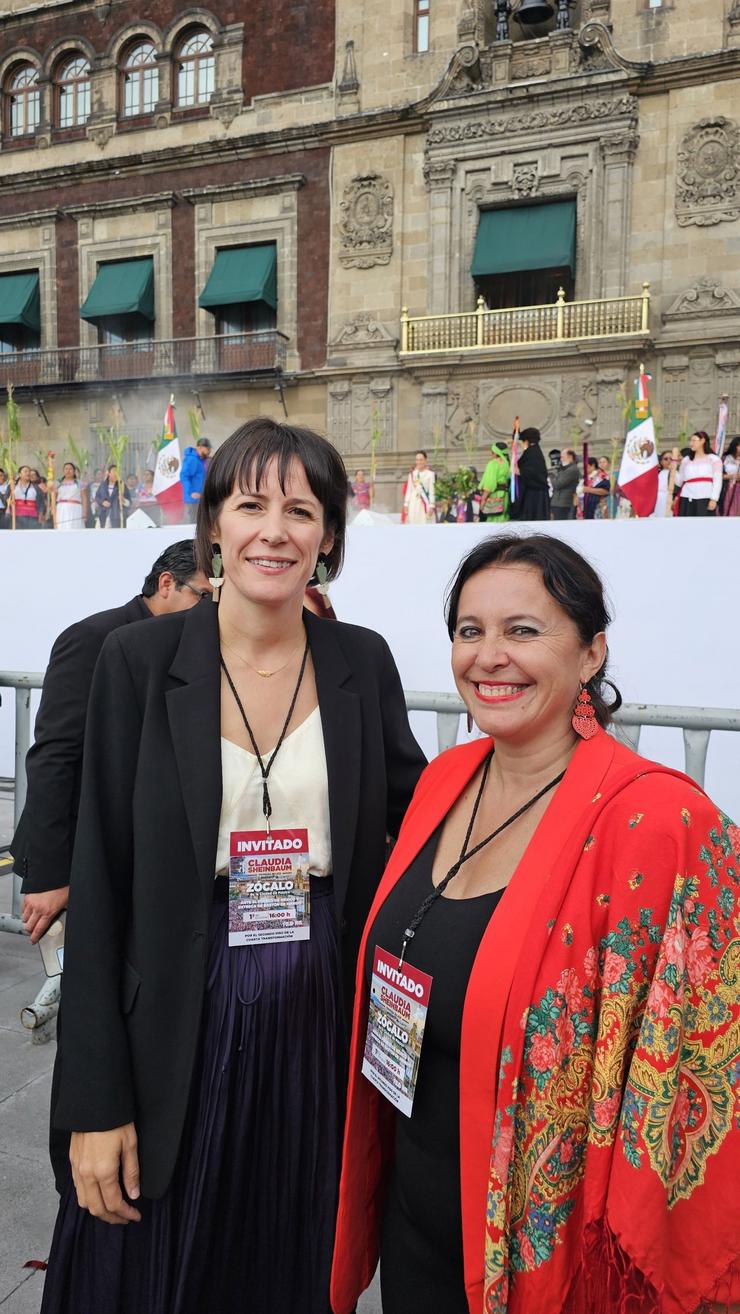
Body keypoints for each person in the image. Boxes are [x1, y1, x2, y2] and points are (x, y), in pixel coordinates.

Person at [41, 418, 425, 1314]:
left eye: (302, 509)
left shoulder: (360, 662)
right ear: (213, 524)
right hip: (173, 1001)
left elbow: (421, 829)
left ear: (328, 535)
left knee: (282, 1255)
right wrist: (94, 1101)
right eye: (251, 504)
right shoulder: (138, 661)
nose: (275, 530)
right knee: (142, 1259)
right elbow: (99, 882)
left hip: (315, 1006)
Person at [332, 532, 740, 1314]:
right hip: (416, 1219)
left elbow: (704, 1067)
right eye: (469, 631)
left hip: (545, 1249)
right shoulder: (447, 778)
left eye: (524, 630)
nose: (490, 656)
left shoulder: (658, 823)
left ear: (591, 654)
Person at [13, 541, 212, 948]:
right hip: (82, 852)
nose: (213, 611)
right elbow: (54, 756)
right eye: (204, 597)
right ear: (166, 583)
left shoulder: (194, 646)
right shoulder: (96, 638)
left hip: (144, 856)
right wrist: (50, 874)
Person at [675, 430, 723, 516]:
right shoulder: (686, 460)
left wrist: (714, 499)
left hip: (705, 496)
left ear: (702, 441)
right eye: (690, 441)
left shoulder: (714, 459)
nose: (691, 443)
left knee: (704, 525)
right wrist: (673, 470)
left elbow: (718, 480)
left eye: (694, 440)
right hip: (686, 496)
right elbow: (679, 481)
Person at [512, 427, 549, 521]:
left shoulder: (532, 452)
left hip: (535, 494)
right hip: (534, 492)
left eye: (523, 441)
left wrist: (519, 471)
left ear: (527, 441)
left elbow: (533, 472)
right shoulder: (533, 451)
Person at [181, 435, 212, 520]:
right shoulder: (193, 459)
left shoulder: (200, 460)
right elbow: (184, 476)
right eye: (208, 449)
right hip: (194, 499)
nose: (209, 451)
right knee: (195, 523)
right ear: (200, 447)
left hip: (200, 498)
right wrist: (191, 493)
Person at [479, 443, 510, 523]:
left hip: (495, 496)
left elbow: (490, 484)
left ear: (496, 453)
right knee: (503, 518)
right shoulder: (507, 463)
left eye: (492, 452)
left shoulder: (493, 464)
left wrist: (483, 499)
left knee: (493, 519)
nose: (491, 455)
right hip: (505, 495)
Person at [402, 450, 436, 524]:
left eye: (421, 460)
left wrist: (431, 505)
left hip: (424, 503)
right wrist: (406, 504)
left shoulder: (430, 474)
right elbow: (409, 490)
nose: (419, 462)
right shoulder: (412, 474)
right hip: (413, 503)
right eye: (417, 460)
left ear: (425, 460)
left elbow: (431, 491)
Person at [94, 463, 130, 528]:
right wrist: (102, 502)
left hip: (116, 516)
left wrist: (123, 500)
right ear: (109, 473)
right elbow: (97, 497)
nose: (116, 473)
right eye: (114, 471)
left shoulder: (122, 485)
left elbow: (129, 502)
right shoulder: (103, 485)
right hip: (103, 515)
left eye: (118, 471)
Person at [55, 463, 87, 531]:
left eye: (70, 469)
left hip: (75, 508)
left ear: (74, 471)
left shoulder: (79, 483)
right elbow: (53, 496)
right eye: (66, 469)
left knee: (75, 527)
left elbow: (84, 498)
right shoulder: (58, 483)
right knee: (62, 527)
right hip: (62, 509)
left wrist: (84, 512)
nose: (68, 471)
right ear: (63, 471)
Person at [549, 447, 579, 521]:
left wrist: (551, 476)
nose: (561, 459)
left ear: (570, 457)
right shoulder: (564, 469)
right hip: (558, 502)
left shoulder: (572, 469)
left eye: (562, 457)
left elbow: (557, 484)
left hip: (563, 504)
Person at [583, 455, 609, 520]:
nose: (585, 469)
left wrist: (588, 490)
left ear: (593, 465)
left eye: (587, 467)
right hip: (587, 507)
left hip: (598, 506)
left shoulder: (602, 476)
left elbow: (605, 491)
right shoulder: (586, 477)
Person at [720, 435, 740, 517]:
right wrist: (731, 476)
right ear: (735, 446)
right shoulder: (725, 459)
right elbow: (718, 475)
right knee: (725, 509)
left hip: (738, 490)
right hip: (727, 488)